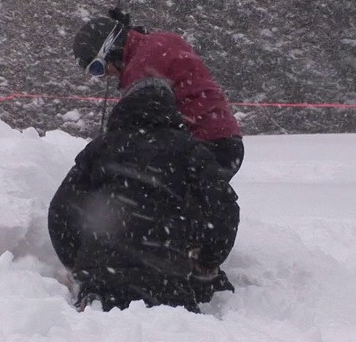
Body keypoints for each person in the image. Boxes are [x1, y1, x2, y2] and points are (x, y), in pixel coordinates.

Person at [48, 78, 240, 312]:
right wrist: (207, 262)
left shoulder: (100, 148)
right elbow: (224, 209)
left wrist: (78, 261)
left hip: (101, 283)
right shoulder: (190, 151)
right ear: (171, 110)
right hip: (167, 281)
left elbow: (61, 209)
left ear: (124, 107)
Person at [72, 8, 244, 182]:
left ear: (110, 47)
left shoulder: (140, 68)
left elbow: (140, 127)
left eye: (98, 68)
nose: (105, 75)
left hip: (203, 144)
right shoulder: (161, 41)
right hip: (226, 140)